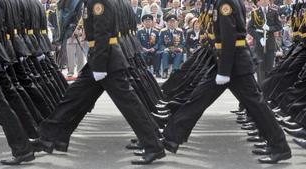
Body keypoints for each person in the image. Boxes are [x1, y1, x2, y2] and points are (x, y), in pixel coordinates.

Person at [162, 0, 291, 164]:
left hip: (233, 64)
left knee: (256, 106)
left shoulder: (225, 3)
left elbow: (229, 38)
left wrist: (224, 72)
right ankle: (169, 139)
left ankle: (280, 147)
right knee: (198, 99)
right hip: (227, 61)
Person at [37, 0, 165, 165]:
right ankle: (50, 137)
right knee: (73, 99)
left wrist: (99, 66)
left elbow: (103, 34)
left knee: (130, 106)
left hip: (106, 62)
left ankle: (154, 146)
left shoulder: (99, 1)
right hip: (100, 59)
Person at [247, 0, 282, 84]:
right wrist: (259, 38)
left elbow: (279, 26)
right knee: (260, 68)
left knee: (269, 67)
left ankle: (268, 88)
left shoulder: (274, 12)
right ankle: (261, 88)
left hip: (270, 42)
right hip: (259, 44)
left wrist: (270, 28)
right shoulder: (254, 12)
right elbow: (250, 28)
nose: (265, 1)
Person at [158, 14, 185, 79]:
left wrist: (180, 48)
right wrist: (164, 49)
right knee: (165, 53)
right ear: (167, 23)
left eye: (173, 22)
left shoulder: (180, 31)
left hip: (176, 49)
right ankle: (165, 71)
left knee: (179, 53)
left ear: (176, 23)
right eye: (170, 22)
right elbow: (160, 43)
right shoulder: (163, 31)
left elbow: (183, 42)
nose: (172, 24)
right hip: (167, 50)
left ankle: (174, 71)